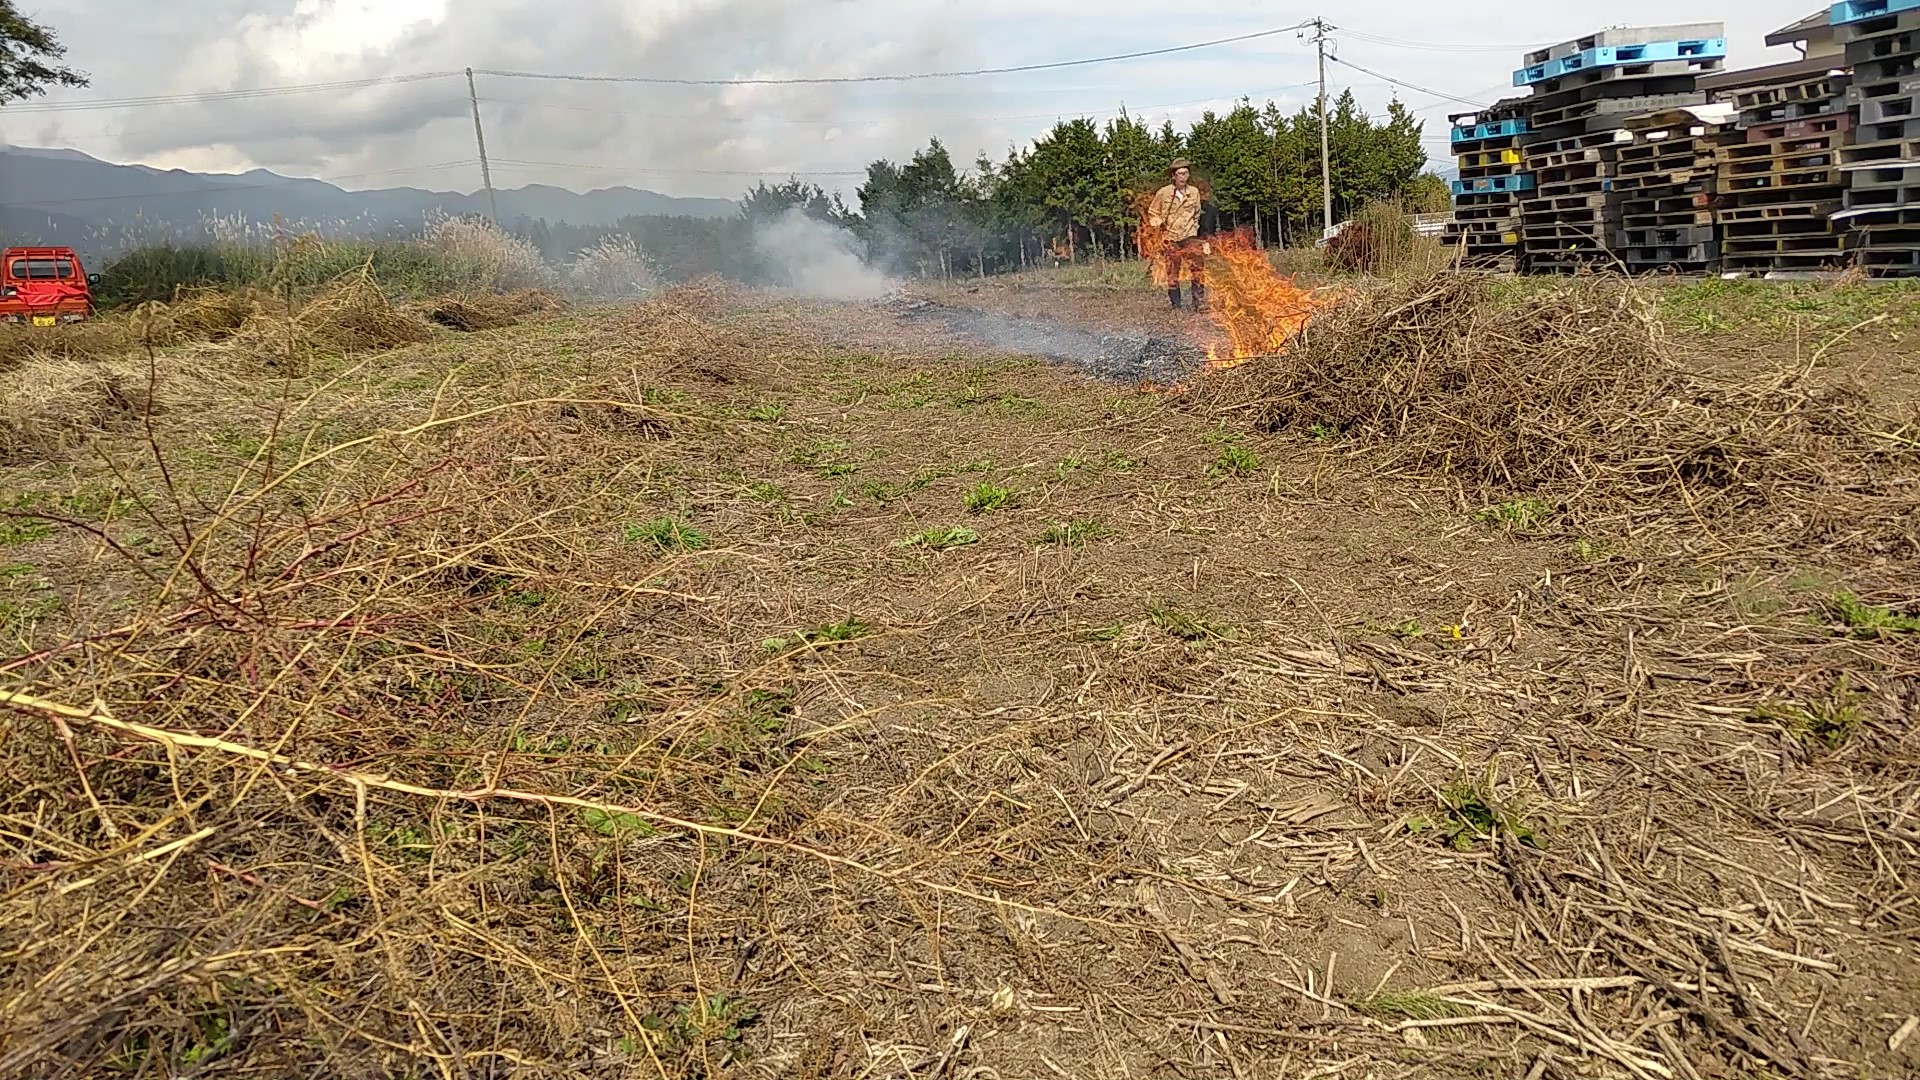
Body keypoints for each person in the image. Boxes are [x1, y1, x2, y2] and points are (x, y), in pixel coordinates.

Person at [1146, 158, 1212, 311]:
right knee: (1172, 272)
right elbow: (1153, 212)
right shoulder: (1163, 193)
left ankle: (1198, 302)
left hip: (1190, 236)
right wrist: (1157, 223)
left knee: (1197, 269)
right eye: (1180, 174)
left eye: (1186, 173)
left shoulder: (1194, 192)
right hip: (1171, 238)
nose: (1183, 177)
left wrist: (1195, 229)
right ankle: (1176, 304)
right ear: (1173, 176)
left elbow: (1197, 213)